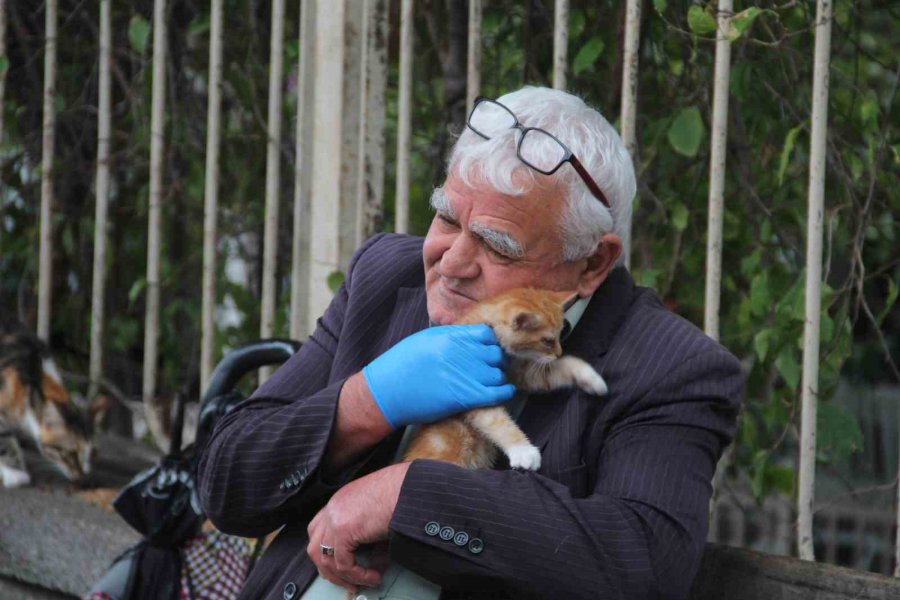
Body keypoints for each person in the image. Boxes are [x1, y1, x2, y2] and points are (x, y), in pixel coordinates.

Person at [197, 86, 743, 600]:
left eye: (498, 246)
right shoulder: (386, 278)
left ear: (593, 263)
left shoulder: (669, 366)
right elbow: (226, 484)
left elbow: (642, 560)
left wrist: (408, 495)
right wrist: (366, 402)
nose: (451, 263)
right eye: (446, 217)